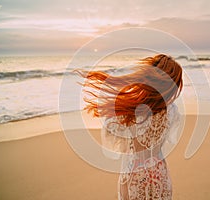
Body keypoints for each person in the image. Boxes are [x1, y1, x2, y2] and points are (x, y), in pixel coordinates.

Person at [78, 54, 183, 200]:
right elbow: (170, 138)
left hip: (134, 174)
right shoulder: (173, 111)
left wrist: (128, 102)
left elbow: (110, 130)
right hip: (160, 173)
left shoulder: (132, 112)